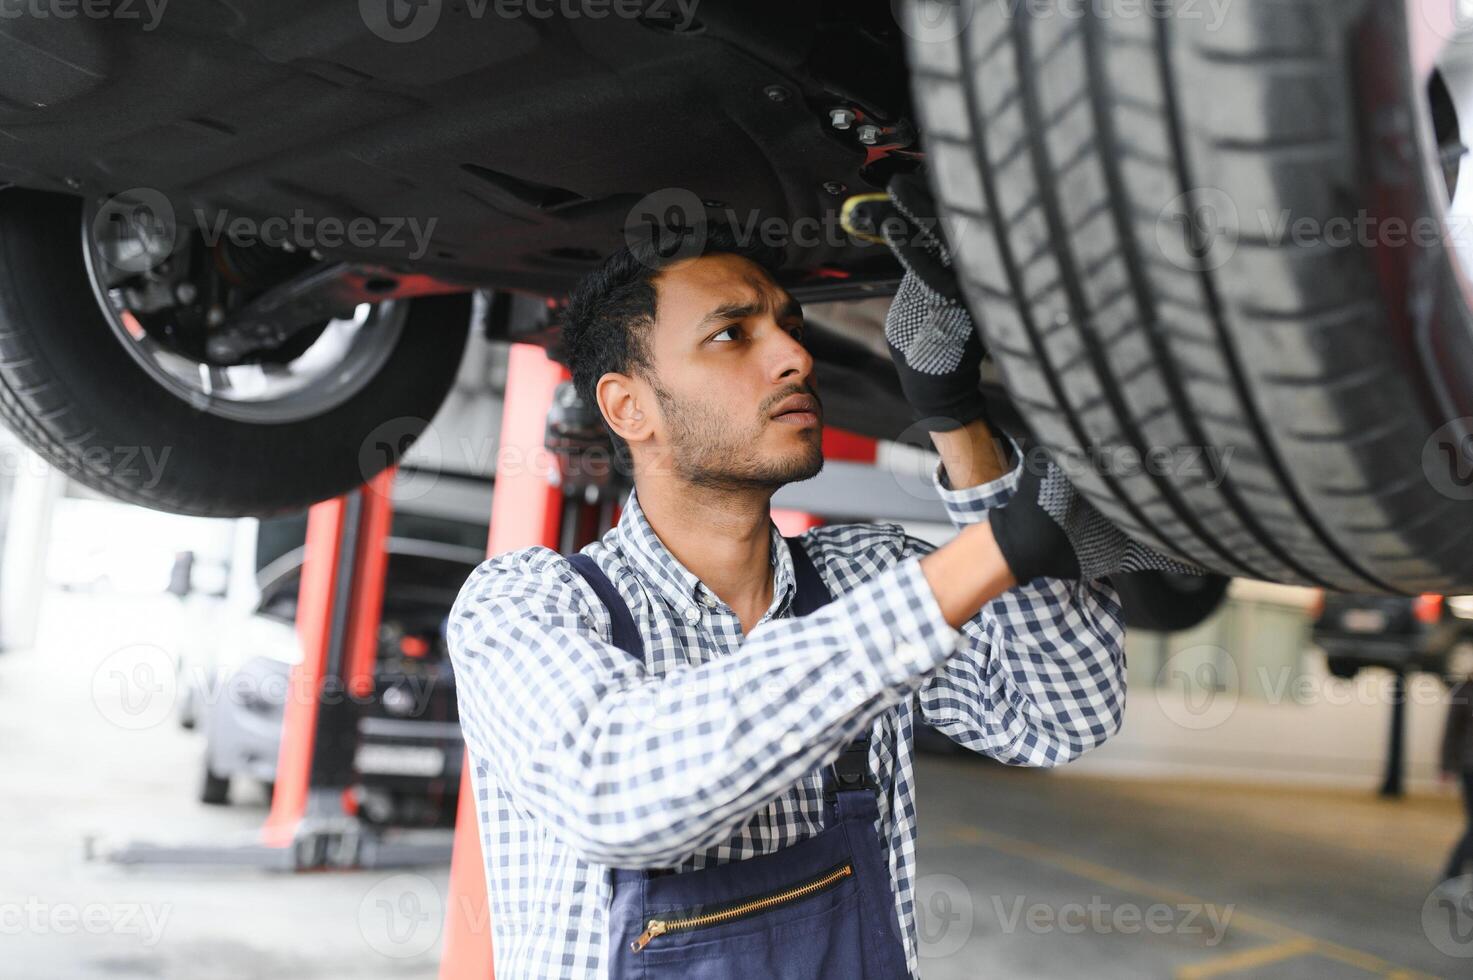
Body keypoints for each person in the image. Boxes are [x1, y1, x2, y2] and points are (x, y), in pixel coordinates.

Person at [447, 175, 1199, 979]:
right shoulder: (524, 604)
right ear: (630, 408)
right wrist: (997, 547)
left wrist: (954, 415)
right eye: (733, 335)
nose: (796, 356)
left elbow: (1058, 717)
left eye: (791, 326)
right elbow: (616, 794)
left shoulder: (861, 575)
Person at [1440, 674, 1473, 884]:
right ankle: (1453, 870)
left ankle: (1454, 870)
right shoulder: (1464, 692)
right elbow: (1451, 732)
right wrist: (1446, 765)